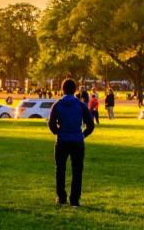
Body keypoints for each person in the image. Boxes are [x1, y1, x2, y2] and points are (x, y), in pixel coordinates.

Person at [48, 79, 95, 207]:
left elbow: (51, 124)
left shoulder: (58, 105)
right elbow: (91, 125)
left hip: (62, 140)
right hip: (77, 141)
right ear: (75, 90)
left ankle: (61, 197)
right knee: (77, 170)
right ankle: (74, 199)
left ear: (62, 89)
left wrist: (58, 132)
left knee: (60, 169)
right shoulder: (81, 105)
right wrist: (82, 135)